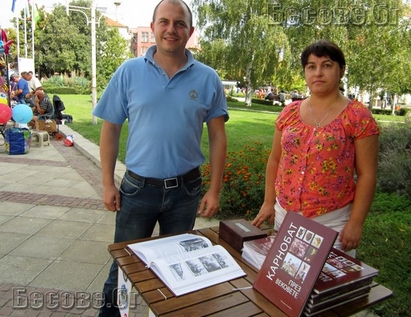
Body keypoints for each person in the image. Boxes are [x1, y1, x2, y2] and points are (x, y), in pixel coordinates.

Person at [92, 0, 228, 316]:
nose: (171, 29)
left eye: (179, 23)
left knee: (178, 271)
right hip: (137, 192)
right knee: (122, 269)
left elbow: (218, 137)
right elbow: (110, 129)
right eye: (164, 22)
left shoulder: (208, 78)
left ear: (190, 31)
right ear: (153, 27)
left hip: (186, 193)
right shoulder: (128, 72)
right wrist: (107, 184)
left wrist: (215, 189)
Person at [252, 40, 380, 257]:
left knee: (328, 287)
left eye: (327, 65)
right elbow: (275, 160)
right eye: (311, 67)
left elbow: (367, 174)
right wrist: (268, 202)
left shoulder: (358, 117)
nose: (318, 73)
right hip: (286, 216)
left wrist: (356, 223)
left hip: (332, 223)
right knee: (284, 282)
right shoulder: (290, 113)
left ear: (341, 71)